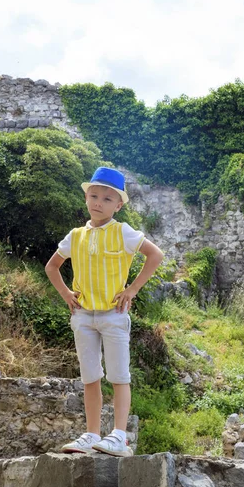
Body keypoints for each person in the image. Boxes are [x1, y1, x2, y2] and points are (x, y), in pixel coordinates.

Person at [45, 166, 163, 457]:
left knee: (119, 375)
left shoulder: (123, 232)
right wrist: (66, 294)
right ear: (86, 198)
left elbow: (155, 255)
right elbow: (52, 267)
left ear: (118, 205)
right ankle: (91, 434)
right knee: (90, 377)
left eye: (107, 199)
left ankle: (120, 436)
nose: (99, 202)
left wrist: (132, 289)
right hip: (83, 316)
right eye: (94, 196)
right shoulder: (74, 236)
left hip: (113, 314)